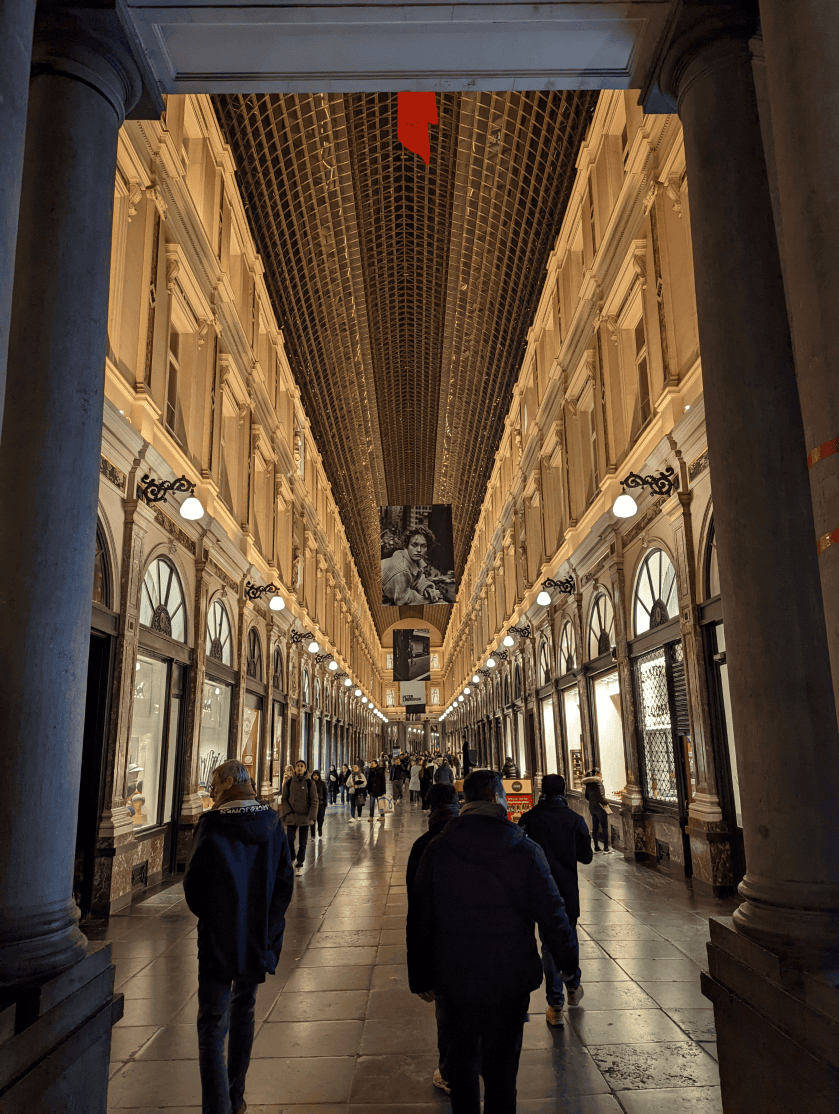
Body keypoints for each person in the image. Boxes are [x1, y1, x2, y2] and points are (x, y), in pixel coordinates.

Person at [407, 769, 578, 1114]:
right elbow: (553, 913)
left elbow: (420, 916)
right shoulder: (525, 849)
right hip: (508, 980)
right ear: (498, 797)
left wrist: (421, 976)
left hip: (455, 980)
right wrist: (568, 965)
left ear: (465, 801)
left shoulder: (437, 849)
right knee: (502, 1077)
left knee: (464, 1076)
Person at [184, 759, 294, 1114]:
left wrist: (218, 917)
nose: (212, 792)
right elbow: (284, 884)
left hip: (218, 939)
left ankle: (217, 1109)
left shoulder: (211, 827)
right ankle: (235, 1096)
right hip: (256, 938)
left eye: (215, 785)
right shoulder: (272, 822)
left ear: (229, 781)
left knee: (213, 1025)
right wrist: (266, 926)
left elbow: (194, 888)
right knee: (244, 1009)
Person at [518, 773, 592, 1026]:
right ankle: (572, 985)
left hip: (537, 891)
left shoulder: (528, 819)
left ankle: (556, 1005)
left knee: (548, 945)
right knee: (568, 936)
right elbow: (586, 857)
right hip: (567, 891)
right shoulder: (574, 820)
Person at [405, 783, 462, 1096]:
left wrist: (419, 975)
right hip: (482, 948)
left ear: (428, 808)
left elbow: (417, 914)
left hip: (442, 951)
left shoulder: (423, 846)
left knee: (448, 1013)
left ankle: (452, 1072)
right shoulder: (476, 837)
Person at [381, 525, 443, 606]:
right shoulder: (402, 569)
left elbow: (417, 578)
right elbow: (403, 600)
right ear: (407, 546)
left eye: (423, 546)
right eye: (414, 545)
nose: (419, 550)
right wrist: (429, 599)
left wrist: (426, 588)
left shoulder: (408, 557)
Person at [280, 759, 318, 875]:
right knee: (289, 839)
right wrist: (287, 813)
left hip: (304, 817)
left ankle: (300, 862)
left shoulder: (310, 783)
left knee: (303, 842)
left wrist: (312, 817)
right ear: (295, 769)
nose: (300, 768)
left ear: (305, 769)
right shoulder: (289, 782)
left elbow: (314, 800)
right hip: (292, 816)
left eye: (302, 766)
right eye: (298, 766)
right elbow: (284, 799)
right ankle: (292, 856)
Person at [582, 767, 612, 853]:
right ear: (596, 774)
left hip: (592, 807)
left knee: (595, 827)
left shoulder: (588, 784)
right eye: (600, 774)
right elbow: (601, 797)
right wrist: (607, 801)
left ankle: (596, 847)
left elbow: (586, 797)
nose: (601, 776)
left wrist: (593, 801)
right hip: (600, 808)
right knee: (604, 827)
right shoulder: (599, 784)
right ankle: (606, 848)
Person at [310, 769, 327, 839]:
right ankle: (313, 835)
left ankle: (320, 829)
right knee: (312, 820)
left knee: (320, 819)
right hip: (312, 805)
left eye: (317, 775)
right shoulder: (310, 783)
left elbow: (325, 794)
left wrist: (325, 804)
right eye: (314, 775)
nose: (315, 776)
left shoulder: (323, 783)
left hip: (321, 804)